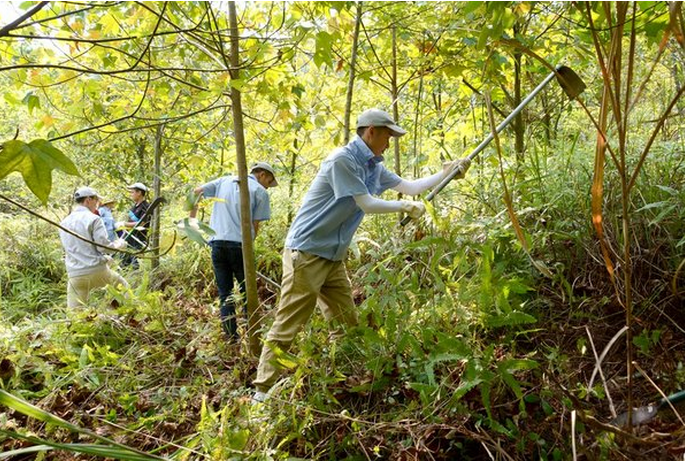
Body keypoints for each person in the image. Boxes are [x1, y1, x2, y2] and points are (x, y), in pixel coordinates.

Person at [252, 108, 471, 400]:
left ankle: (339, 383)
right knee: (289, 323)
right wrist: (405, 207)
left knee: (346, 325)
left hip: (332, 255)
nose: (389, 143)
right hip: (306, 252)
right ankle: (261, 394)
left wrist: (447, 173)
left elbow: (410, 186)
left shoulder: (373, 166)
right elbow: (366, 203)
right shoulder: (342, 160)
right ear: (370, 131)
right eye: (387, 136)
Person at [189, 162, 278, 341]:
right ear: (261, 174)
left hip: (218, 244)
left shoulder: (224, 181)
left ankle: (231, 338)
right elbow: (255, 225)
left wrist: (192, 221)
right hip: (240, 246)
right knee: (248, 292)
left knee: (225, 293)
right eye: (269, 181)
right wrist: (248, 247)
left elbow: (195, 192)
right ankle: (253, 335)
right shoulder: (259, 192)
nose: (268, 186)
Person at [59, 187, 129, 308]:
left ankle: (79, 324)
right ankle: (132, 315)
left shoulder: (64, 222)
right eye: (96, 200)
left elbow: (75, 249)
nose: (98, 205)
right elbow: (103, 247)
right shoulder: (94, 219)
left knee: (75, 314)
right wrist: (120, 244)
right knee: (124, 287)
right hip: (95, 270)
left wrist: (105, 258)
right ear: (88, 200)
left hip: (75, 274)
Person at [117, 182, 150, 268]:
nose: (131, 194)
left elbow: (142, 223)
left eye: (132, 192)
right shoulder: (134, 207)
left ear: (139, 193)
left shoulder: (146, 206)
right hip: (128, 238)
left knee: (135, 264)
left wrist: (125, 223)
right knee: (124, 263)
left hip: (138, 239)